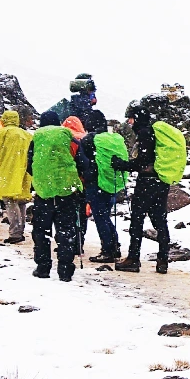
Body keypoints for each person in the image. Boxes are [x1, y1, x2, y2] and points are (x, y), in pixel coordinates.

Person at [111, 112, 186, 274]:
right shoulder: (154, 132)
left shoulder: (145, 133)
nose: (129, 122)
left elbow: (143, 161)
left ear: (137, 118)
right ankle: (163, 259)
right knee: (160, 221)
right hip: (161, 181)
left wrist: (122, 165)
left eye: (130, 118)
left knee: (137, 219)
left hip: (147, 181)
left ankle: (133, 258)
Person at [28, 111, 84, 281]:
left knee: (41, 231)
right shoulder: (69, 137)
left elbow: (29, 165)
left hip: (43, 193)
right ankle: (65, 270)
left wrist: (42, 179)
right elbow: (82, 162)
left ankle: (43, 267)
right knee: (66, 231)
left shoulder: (36, 139)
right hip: (67, 191)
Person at [76, 116, 126, 264]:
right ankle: (114, 246)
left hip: (96, 184)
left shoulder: (89, 140)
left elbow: (83, 162)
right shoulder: (113, 139)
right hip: (111, 182)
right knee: (105, 216)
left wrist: (85, 176)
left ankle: (107, 250)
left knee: (100, 217)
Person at [0, 110, 32, 244]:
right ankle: (20, 230)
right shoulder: (27, 135)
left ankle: (15, 232)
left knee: (10, 201)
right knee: (21, 201)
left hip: (4, 172)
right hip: (23, 172)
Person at [62, 116, 91, 255]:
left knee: (67, 214)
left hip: (68, 181)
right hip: (83, 181)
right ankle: (80, 242)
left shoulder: (65, 139)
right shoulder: (85, 138)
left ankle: (67, 242)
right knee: (81, 214)